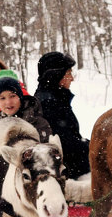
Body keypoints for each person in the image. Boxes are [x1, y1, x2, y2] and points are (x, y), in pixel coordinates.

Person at [35, 51, 90, 180]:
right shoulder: (48, 104)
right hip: (68, 175)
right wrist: (94, 147)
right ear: (56, 76)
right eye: (68, 73)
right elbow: (65, 144)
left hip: (73, 170)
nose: (72, 78)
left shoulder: (57, 98)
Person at [0, 70, 52, 142]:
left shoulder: (36, 122)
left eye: (12, 96)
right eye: (2, 98)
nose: (8, 102)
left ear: (20, 97)